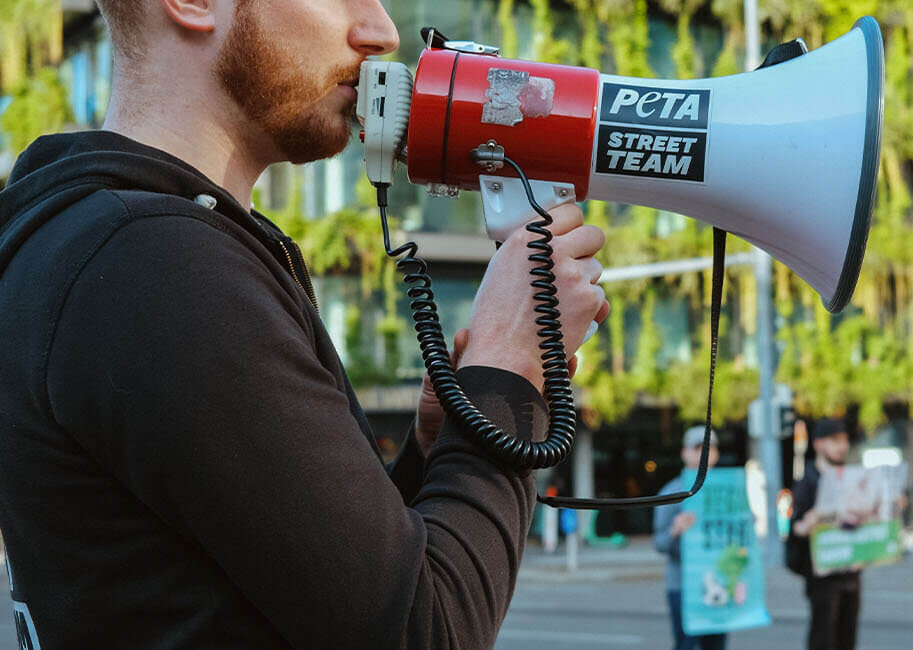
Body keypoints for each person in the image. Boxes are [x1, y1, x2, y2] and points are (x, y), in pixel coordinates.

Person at [0, 1, 611, 647]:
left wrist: (443, 449)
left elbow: (308, 591)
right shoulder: (158, 261)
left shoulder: (97, 239)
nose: (380, 31)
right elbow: (426, 631)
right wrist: (506, 369)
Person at [788, 419, 862, 650]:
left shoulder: (851, 478)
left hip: (851, 570)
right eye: (835, 441)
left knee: (847, 636)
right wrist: (811, 520)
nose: (842, 446)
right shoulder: (807, 482)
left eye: (844, 441)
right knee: (823, 637)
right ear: (819, 444)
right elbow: (795, 529)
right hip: (822, 575)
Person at [652, 426, 725, 650]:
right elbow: (660, 543)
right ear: (685, 453)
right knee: (686, 645)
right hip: (683, 586)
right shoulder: (671, 491)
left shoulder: (727, 490)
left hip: (719, 584)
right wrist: (676, 530)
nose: (704, 454)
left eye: (709, 449)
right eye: (698, 449)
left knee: (716, 645)